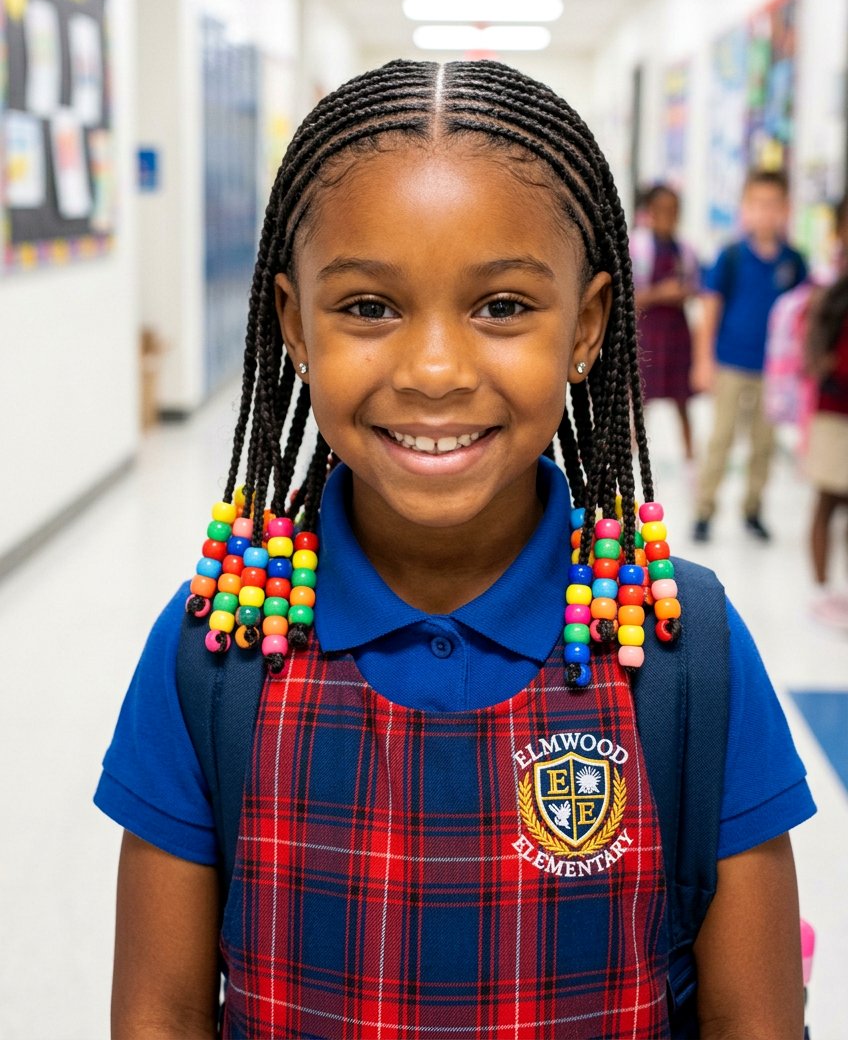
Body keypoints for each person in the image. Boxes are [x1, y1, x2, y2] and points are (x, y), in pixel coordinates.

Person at [95, 61, 814, 1040]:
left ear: (586, 325)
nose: (434, 370)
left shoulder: (682, 649)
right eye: (368, 307)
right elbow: (159, 1011)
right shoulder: (217, 648)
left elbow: (754, 1018)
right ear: (294, 325)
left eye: (502, 306)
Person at [692, 169, 807, 542]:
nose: (765, 212)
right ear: (744, 208)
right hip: (729, 363)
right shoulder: (731, 256)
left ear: (786, 209)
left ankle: (753, 509)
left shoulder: (794, 261)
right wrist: (703, 360)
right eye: (757, 204)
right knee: (721, 438)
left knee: (764, 444)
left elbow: (802, 314)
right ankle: (704, 510)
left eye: (773, 204)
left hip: (774, 371)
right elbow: (710, 308)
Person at [630, 183, 700, 460]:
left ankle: (691, 459)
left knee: (683, 400)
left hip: (676, 334)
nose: (668, 216)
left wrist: (683, 293)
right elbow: (627, 298)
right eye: (661, 209)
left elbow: (695, 288)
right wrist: (661, 293)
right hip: (647, 333)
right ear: (650, 211)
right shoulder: (637, 247)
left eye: (673, 210)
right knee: (639, 399)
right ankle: (629, 456)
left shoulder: (685, 250)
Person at [805, 195, 848, 626]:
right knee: (828, 499)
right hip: (835, 411)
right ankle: (820, 591)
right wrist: (825, 366)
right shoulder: (832, 287)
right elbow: (814, 345)